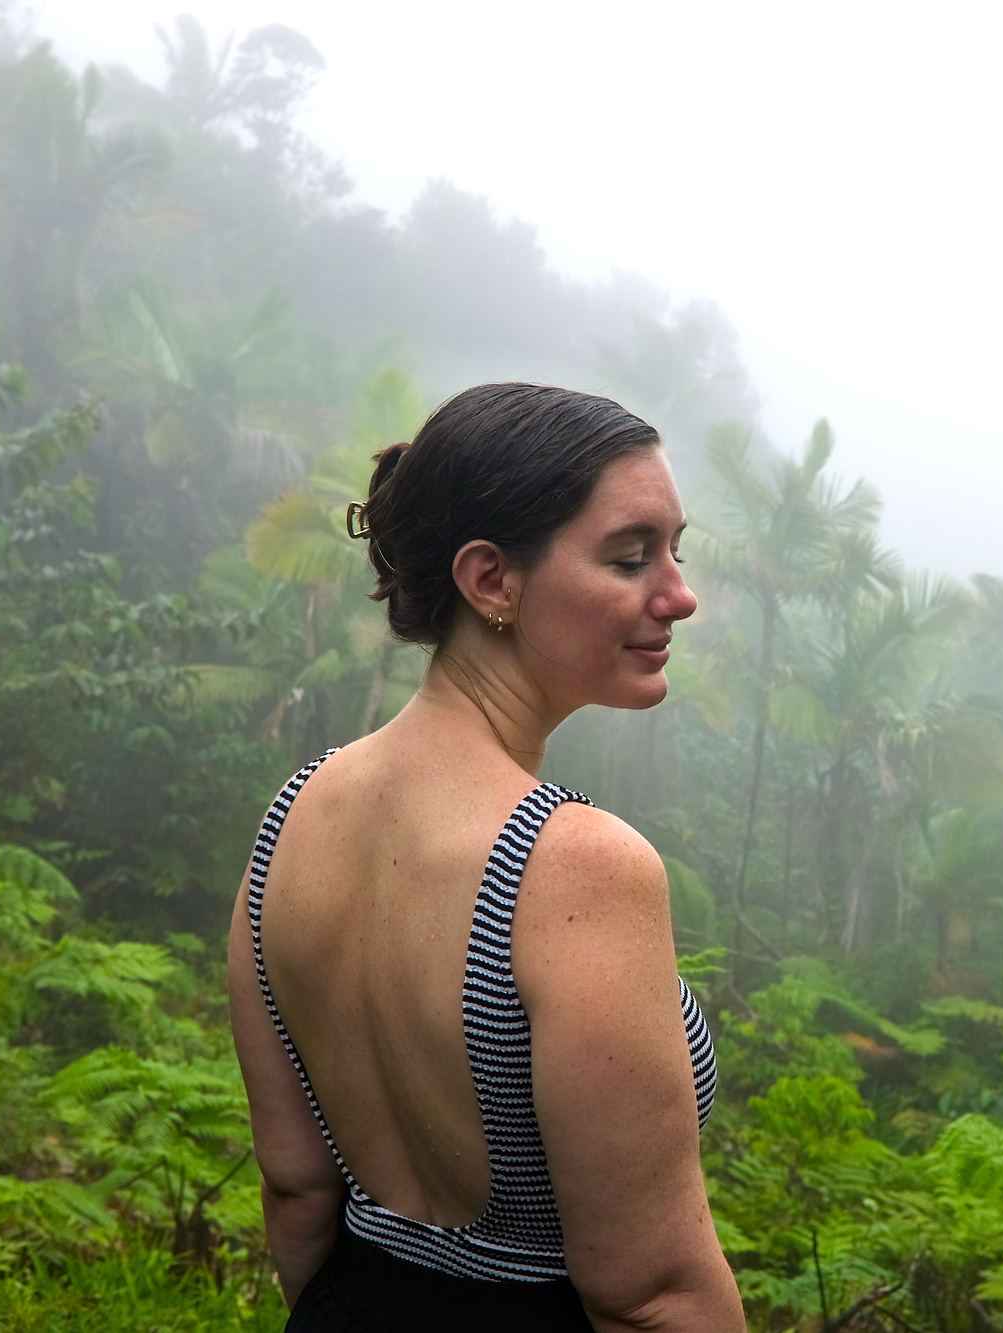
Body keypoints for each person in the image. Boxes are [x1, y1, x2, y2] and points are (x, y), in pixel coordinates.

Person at [227, 384, 745, 1331]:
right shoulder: (576, 868)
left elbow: (298, 1186)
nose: (679, 592)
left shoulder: (293, 818)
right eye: (631, 557)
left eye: (676, 549)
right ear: (491, 581)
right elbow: (651, 1293)